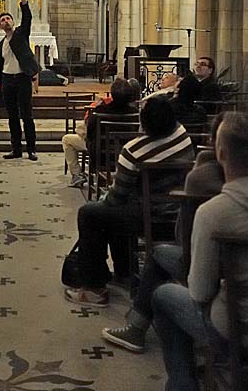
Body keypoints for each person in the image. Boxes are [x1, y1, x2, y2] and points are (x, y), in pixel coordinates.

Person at [152, 112, 248, 391]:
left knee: (163, 296)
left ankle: (183, 384)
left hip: (243, 334)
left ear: (219, 152)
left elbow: (199, 291)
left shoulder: (213, 213)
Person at [101, 113, 226, 353]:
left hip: (228, 315)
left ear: (217, 147)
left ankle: (179, 380)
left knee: (162, 292)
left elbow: (196, 276)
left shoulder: (205, 193)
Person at [64, 96, 194, 307]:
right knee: (114, 212)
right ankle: (124, 272)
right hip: (179, 214)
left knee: (90, 214)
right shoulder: (181, 134)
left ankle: (94, 288)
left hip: (149, 215)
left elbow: (115, 199)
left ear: (144, 123)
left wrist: (106, 196)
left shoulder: (134, 150)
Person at [64, 77, 138, 188]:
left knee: (67, 139)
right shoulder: (135, 113)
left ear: (112, 95)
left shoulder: (100, 111)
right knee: (81, 130)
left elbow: (90, 133)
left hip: (101, 155)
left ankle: (77, 175)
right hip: (126, 154)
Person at [0, 0, 41, 161]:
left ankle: (31, 149)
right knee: (12, 117)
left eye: (8, 19)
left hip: (22, 79)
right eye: (2, 20)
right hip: (8, 80)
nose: (5, 21)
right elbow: (2, 65)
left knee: (27, 115)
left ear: (13, 22)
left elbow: (27, 18)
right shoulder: (0, 44)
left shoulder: (21, 34)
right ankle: (16, 149)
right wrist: (1, 84)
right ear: (0, 26)